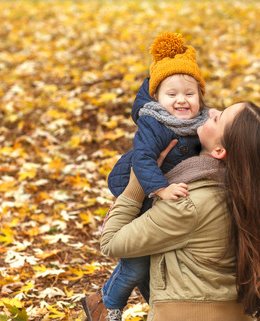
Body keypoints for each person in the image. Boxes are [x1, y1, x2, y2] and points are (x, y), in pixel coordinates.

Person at [100, 101, 260, 321]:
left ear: (218, 151)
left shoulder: (189, 203)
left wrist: (138, 182)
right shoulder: (247, 196)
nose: (211, 112)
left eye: (217, 118)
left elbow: (110, 242)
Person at [81, 32, 219, 321]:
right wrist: (160, 189)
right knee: (136, 265)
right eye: (172, 95)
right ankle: (108, 306)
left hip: (167, 200)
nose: (181, 101)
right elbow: (143, 159)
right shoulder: (154, 122)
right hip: (145, 193)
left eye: (189, 94)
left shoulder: (199, 120)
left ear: (200, 96)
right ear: (156, 97)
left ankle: (133, 304)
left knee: (150, 258)